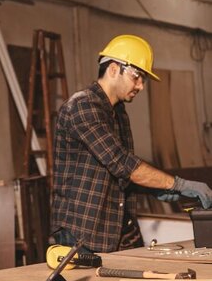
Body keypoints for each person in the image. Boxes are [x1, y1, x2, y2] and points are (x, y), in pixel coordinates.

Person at [51, 34, 212, 253]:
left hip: (116, 229)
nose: (141, 86)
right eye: (137, 76)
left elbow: (120, 174)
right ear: (114, 69)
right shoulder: (83, 106)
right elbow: (121, 163)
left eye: (143, 79)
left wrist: (155, 188)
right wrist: (178, 184)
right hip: (83, 233)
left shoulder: (118, 112)